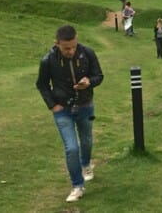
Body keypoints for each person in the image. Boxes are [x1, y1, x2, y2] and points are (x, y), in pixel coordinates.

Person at [36, 25, 104, 202]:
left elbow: (99, 76)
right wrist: (53, 106)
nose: (71, 51)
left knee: (87, 141)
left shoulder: (87, 53)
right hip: (62, 110)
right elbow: (42, 85)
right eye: (66, 48)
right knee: (72, 148)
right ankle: (77, 186)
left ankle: (86, 165)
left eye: (73, 46)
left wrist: (89, 81)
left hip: (85, 105)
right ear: (57, 43)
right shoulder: (48, 60)